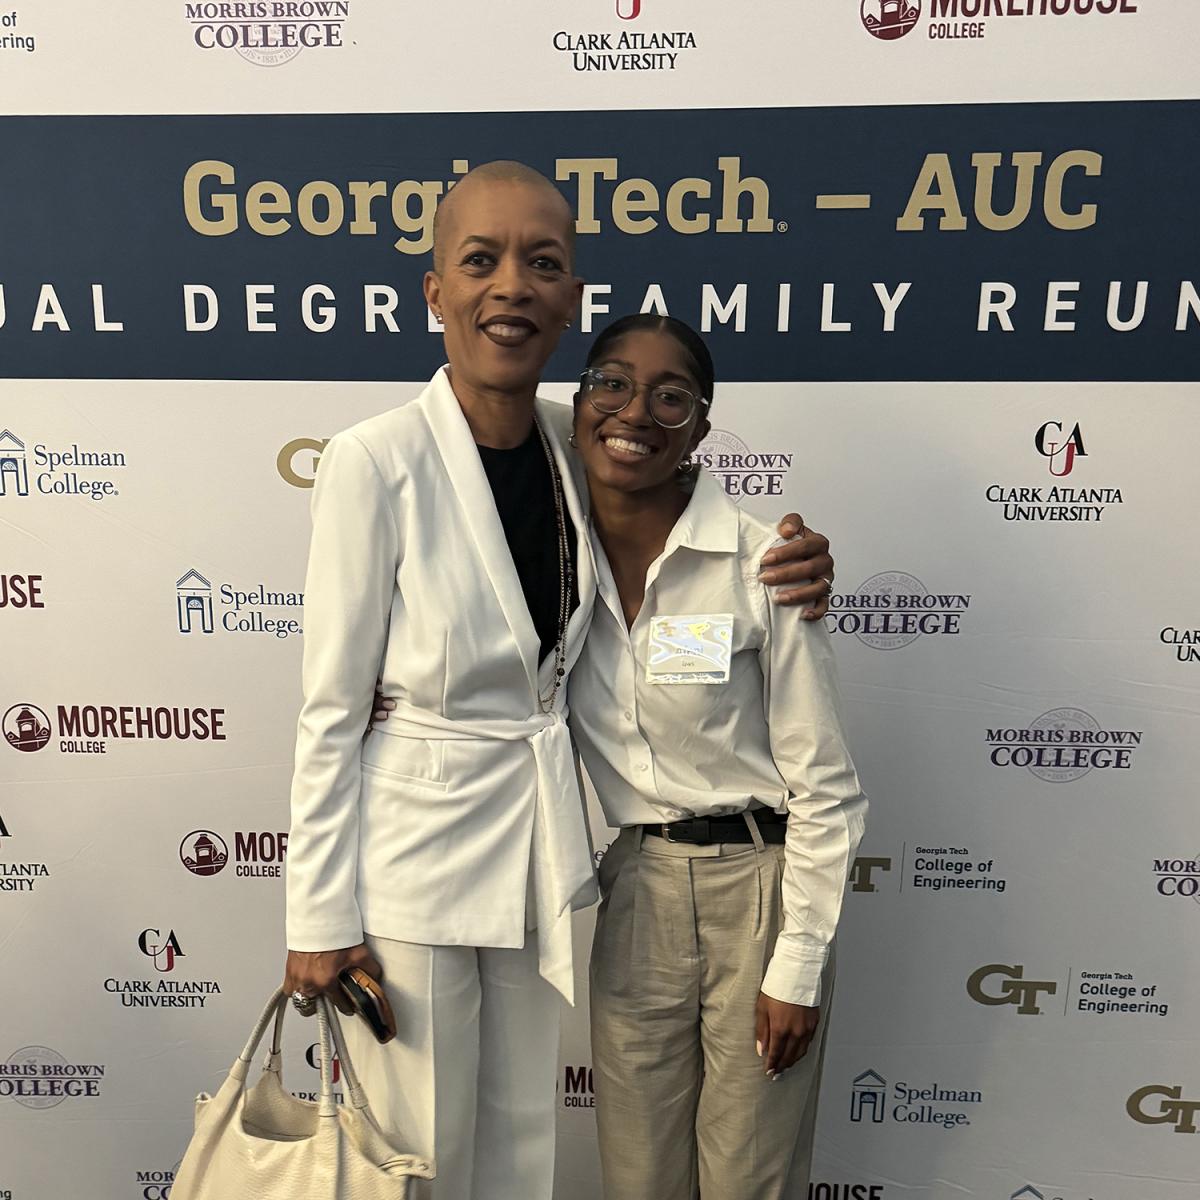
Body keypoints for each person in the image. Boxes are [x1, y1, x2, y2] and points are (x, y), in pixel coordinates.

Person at [284, 161, 835, 1200]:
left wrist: (793, 555)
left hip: (538, 859)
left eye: (544, 263)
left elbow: (666, 493)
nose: (513, 286)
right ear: (434, 289)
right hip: (411, 865)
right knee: (423, 1155)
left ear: (572, 295)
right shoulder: (375, 460)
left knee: (522, 1145)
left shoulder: (568, 437)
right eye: (480, 260)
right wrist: (316, 920)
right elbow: (329, 708)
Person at [568, 314, 866, 1200]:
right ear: (579, 402)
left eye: (671, 396)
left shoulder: (762, 562)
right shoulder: (546, 559)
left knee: (748, 1177)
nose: (636, 411)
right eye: (611, 383)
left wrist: (800, 961)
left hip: (761, 893)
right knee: (637, 1178)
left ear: (700, 425)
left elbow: (828, 787)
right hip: (639, 894)